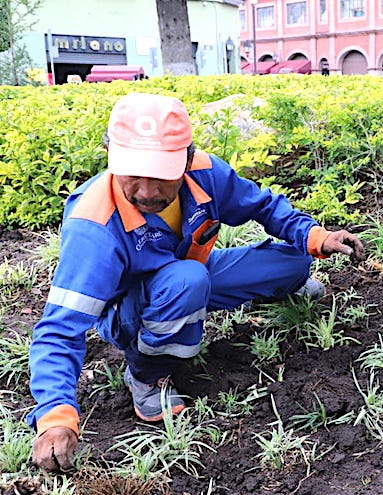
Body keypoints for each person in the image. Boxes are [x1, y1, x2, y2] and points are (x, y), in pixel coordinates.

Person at [28, 92, 364, 472]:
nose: (146, 191)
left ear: (187, 160)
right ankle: (147, 375)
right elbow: (59, 329)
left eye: (161, 176)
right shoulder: (93, 227)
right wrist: (55, 418)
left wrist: (317, 236)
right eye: (133, 173)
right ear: (109, 154)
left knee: (294, 263)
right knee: (185, 281)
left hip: (188, 276)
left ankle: (219, 295)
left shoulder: (205, 174)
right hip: (132, 309)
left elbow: (262, 206)